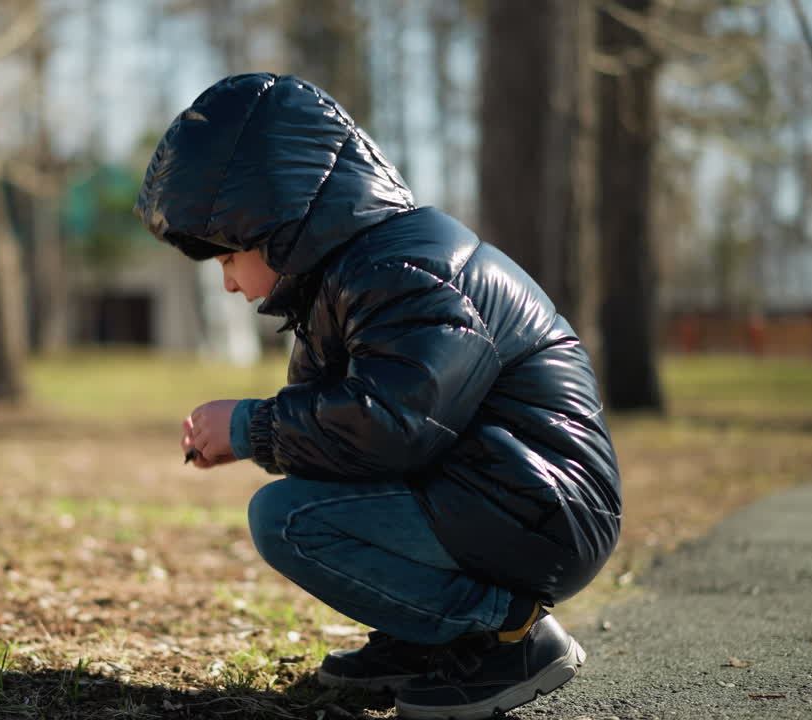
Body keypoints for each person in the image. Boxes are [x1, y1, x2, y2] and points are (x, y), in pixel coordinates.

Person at [135, 73, 621, 720]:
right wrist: (260, 435)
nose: (227, 283)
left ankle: (508, 634)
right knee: (303, 502)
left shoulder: (407, 273)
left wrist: (252, 427)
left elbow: (393, 424)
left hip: (546, 503)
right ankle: (428, 639)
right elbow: (341, 443)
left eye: (230, 258)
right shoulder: (343, 281)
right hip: (495, 492)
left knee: (288, 520)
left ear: (281, 224)